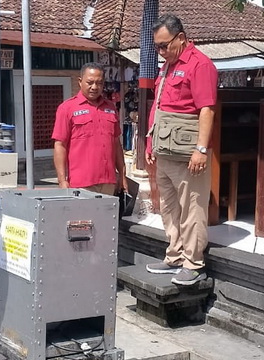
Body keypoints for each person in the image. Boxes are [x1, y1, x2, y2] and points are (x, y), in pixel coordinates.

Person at [144, 14, 219, 285]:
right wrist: (150, 141)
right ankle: (174, 255)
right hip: (164, 149)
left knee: (192, 208)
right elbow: (159, 107)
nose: (161, 52)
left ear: (181, 38)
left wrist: (201, 149)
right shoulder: (166, 67)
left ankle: (194, 263)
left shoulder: (200, 65)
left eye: (165, 45)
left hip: (188, 153)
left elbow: (206, 109)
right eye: (158, 47)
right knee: (169, 206)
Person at [52, 62, 127, 195]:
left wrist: (122, 175)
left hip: (108, 182)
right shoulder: (67, 108)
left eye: (99, 83)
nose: (94, 87)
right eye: (90, 82)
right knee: (81, 216)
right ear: (80, 82)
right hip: (81, 184)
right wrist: (62, 180)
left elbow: (116, 143)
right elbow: (60, 145)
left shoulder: (110, 108)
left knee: (107, 216)